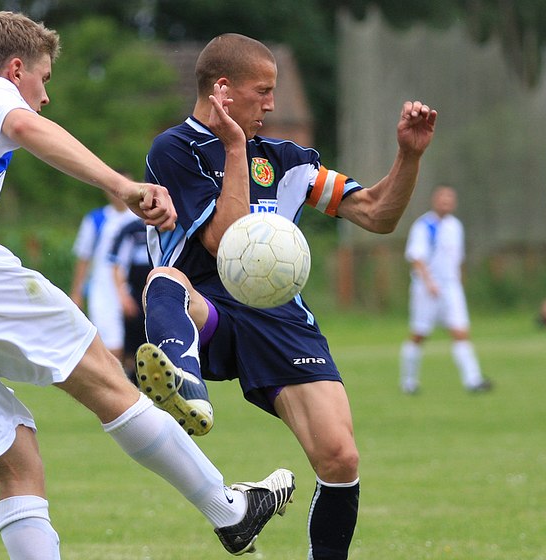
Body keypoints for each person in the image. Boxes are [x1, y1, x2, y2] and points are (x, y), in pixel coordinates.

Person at [0, 13, 295, 559]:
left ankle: (225, 510)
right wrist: (123, 186)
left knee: (17, 462)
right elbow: (27, 128)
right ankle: (229, 511)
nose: (45, 97)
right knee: (107, 379)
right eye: (44, 79)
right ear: (15, 70)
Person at [135, 33, 437, 559]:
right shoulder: (174, 150)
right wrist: (234, 148)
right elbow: (223, 240)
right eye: (263, 91)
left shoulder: (287, 160)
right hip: (205, 313)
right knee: (165, 282)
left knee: (340, 458)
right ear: (223, 90)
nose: (272, 104)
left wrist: (407, 157)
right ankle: (186, 383)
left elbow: (377, 215)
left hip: (279, 319)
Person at [400, 185, 492, 394]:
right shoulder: (425, 225)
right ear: (435, 201)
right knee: (419, 334)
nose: (446, 203)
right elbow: (416, 257)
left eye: (450, 199)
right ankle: (409, 382)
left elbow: (457, 260)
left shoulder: (455, 226)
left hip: (451, 286)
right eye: (443, 199)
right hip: (427, 287)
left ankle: (473, 380)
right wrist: (429, 282)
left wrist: (459, 281)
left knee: (460, 332)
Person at [69, 191, 136, 362]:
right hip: (103, 288)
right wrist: (77, 292)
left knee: (135, 344)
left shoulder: (139, 218)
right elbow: (84, 258)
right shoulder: (96, 219)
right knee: (111, 342)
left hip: (135, 285)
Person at [108, 216, 151, 375]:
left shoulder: (169, 225)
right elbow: (116, 264)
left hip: (157, 293)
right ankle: (132, 390)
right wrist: (123, 295)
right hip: (134, 295)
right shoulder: (130, 230)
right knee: (131, 350)